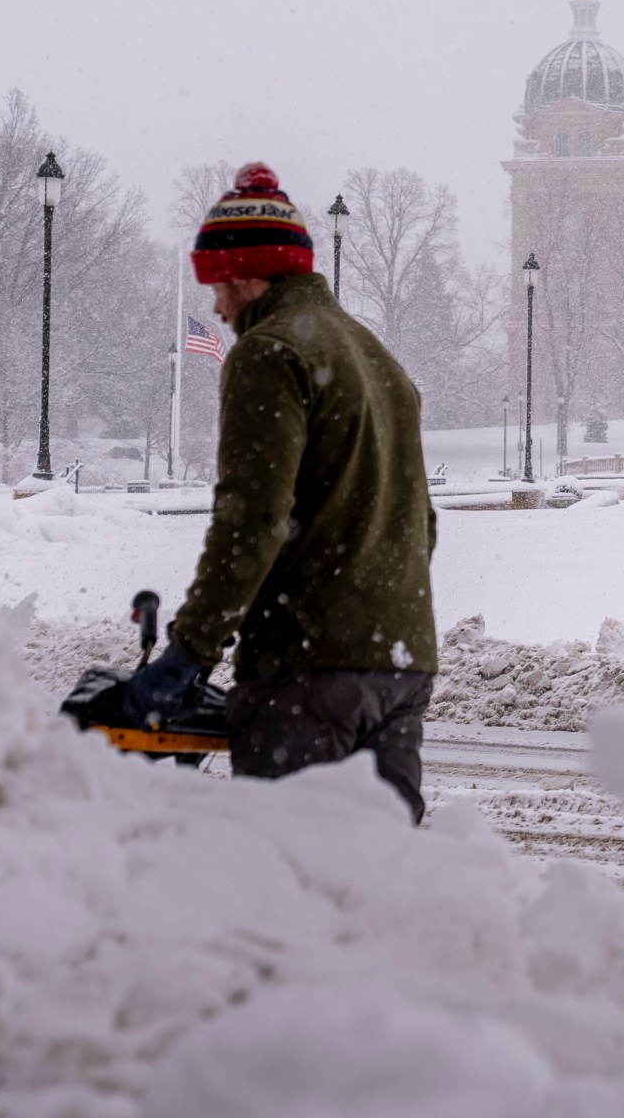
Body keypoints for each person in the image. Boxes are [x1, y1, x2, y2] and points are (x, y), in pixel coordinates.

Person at [127, 163, 440, 822]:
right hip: (402, 665)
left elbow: (253, 519)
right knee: (375, 886)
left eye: (215, 287)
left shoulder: (270, 352)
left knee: (289, 891)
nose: (215, 307)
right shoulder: (375, 356)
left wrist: (191, 649)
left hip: (307, 672)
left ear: (243, 275)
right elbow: (423, 523)